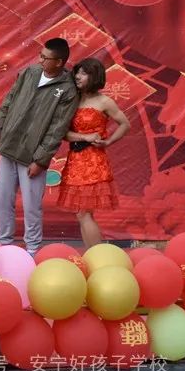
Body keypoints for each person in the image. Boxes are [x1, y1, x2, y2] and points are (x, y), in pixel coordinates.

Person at [0, 38, 78, 255]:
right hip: (9, 147)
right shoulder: (29, 73)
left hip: (32, 157)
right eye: (40, 55)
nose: (40, 60)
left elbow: (57, 129)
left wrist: (40, 160)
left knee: (31, 207)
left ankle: (32, 249)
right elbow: (8, 102)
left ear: (59, 62)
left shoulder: (68, 90)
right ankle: (4, 245)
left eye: (45, 58)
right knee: (3, 200)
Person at [58, 58, 130, 249]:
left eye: (83, 73)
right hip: (74, 160)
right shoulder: (73, 99)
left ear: (95, 76)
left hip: (93, 161)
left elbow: (125, 124)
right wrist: (84, 136)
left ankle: (96, 254)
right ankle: (93, 254)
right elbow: (63, 133)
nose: (78, 76)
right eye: (77, 72)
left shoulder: (104, 101)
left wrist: (108, 141)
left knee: (84, 213)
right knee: (81, 213)